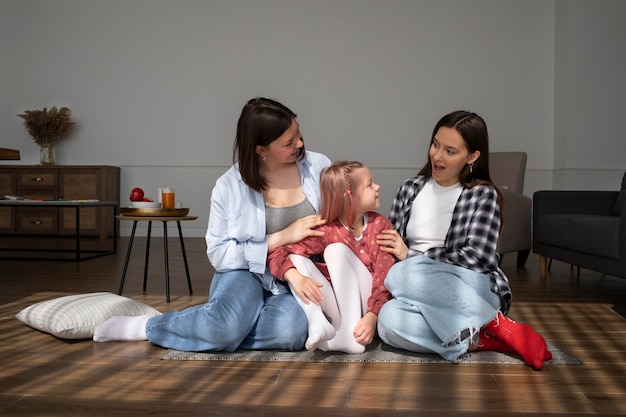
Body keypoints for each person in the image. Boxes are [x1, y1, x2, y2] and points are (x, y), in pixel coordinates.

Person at [94, 97, 331, 352]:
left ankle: (226, 324)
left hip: (297, 276)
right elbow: (219, 254)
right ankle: (148, 327)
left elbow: (345, 219)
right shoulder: (229, 186)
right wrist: (281, 237)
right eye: (288, 142)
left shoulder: (319, 167)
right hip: (245, 272)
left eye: (298, 133)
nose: (300, 143)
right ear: (260, 149)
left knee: (289, 333)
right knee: (224, 328)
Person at [375, 110, 552, 370]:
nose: (436, 155)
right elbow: (392, 246)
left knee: (402, 273)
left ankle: (496, 323)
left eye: (450, 150)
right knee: (388, 321)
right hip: (422, 291)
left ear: (472, 156)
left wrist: (413, 257)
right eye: (435, 144)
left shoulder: (483, 195)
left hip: (471, 285)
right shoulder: (410, 188)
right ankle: (481, 338)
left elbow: (480, 257)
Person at [268, 161, 396, 354]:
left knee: (335, 250)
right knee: (296, 260)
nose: (377, 187)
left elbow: (383, 278)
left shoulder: (380, 225)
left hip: (369, 312)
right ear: (349, 197)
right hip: (341, 312)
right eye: (369, 184)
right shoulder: (328, 229)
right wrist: (295, 276)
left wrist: (372, 317)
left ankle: (347, 336)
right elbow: (277, 251)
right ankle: (317, 320)